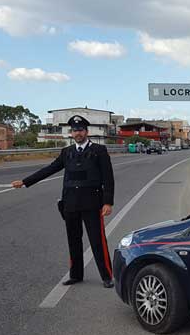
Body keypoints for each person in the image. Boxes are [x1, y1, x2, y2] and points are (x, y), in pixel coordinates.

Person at [12, 115, 115, 288]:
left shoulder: (99, 151)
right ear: (71, 133)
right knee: (73, 240)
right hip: (70, 204)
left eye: (81, 130)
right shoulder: (67, 153)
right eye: (75, 131)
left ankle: (106, 276)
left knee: (98, 241)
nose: (78, 133)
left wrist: (108, 202)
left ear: (86, 132)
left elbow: (108, 178)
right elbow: (49, 169)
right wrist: (25, 181)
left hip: (92, 204)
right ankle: (76, 275)